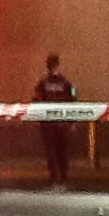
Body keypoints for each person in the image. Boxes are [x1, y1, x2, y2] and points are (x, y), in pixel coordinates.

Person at [33, 54, 78, 186]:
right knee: (62, 151)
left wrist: (40, 120)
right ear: (58, 65)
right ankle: (63, 178)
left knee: (51, 151)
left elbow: (36, 102)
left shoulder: (42, 84)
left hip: (48, 124)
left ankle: (54, 178)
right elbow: (73, 102)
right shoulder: (66, 83)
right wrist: (72, 122)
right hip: (62, 123)